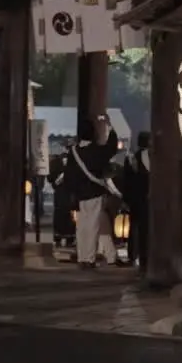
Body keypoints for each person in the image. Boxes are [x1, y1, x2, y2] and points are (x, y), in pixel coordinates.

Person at [59, 114, 120, 269]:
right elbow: (112, 147)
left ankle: (82, 256)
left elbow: (69, 175)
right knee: (93, 226)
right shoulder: (96, 151)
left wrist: (71, 193)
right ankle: (89, 258)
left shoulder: (74, 152)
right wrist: (109, 126)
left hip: (80, 194)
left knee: (82, 226)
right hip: (94, 192)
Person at [120, 131, 151, 270]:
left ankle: (133, 255)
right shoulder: (155, 157)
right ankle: (144, 256)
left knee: (135, 228)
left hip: (135, 199)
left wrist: (125, 199)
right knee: (145, 229)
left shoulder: (131, 158)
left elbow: (126, 181)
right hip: (147, 198)